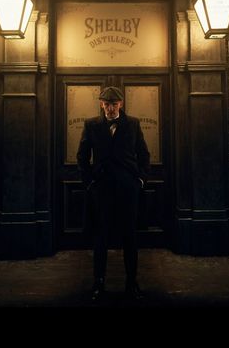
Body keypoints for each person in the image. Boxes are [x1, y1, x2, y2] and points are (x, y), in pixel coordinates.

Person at [77, 86, 150, 301]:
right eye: (106, 104)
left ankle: (131, 282)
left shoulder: (133, 124)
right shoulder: (91, 125)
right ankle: (98, 283)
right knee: (101, 238)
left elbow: (144, 155)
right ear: (101, 104)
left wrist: (140, 180)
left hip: (128, 190)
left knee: (130, 237)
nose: (110, 108)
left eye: (114, 104)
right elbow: (82, 157)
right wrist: (90, 183)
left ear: (121, 105)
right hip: (102, 191)